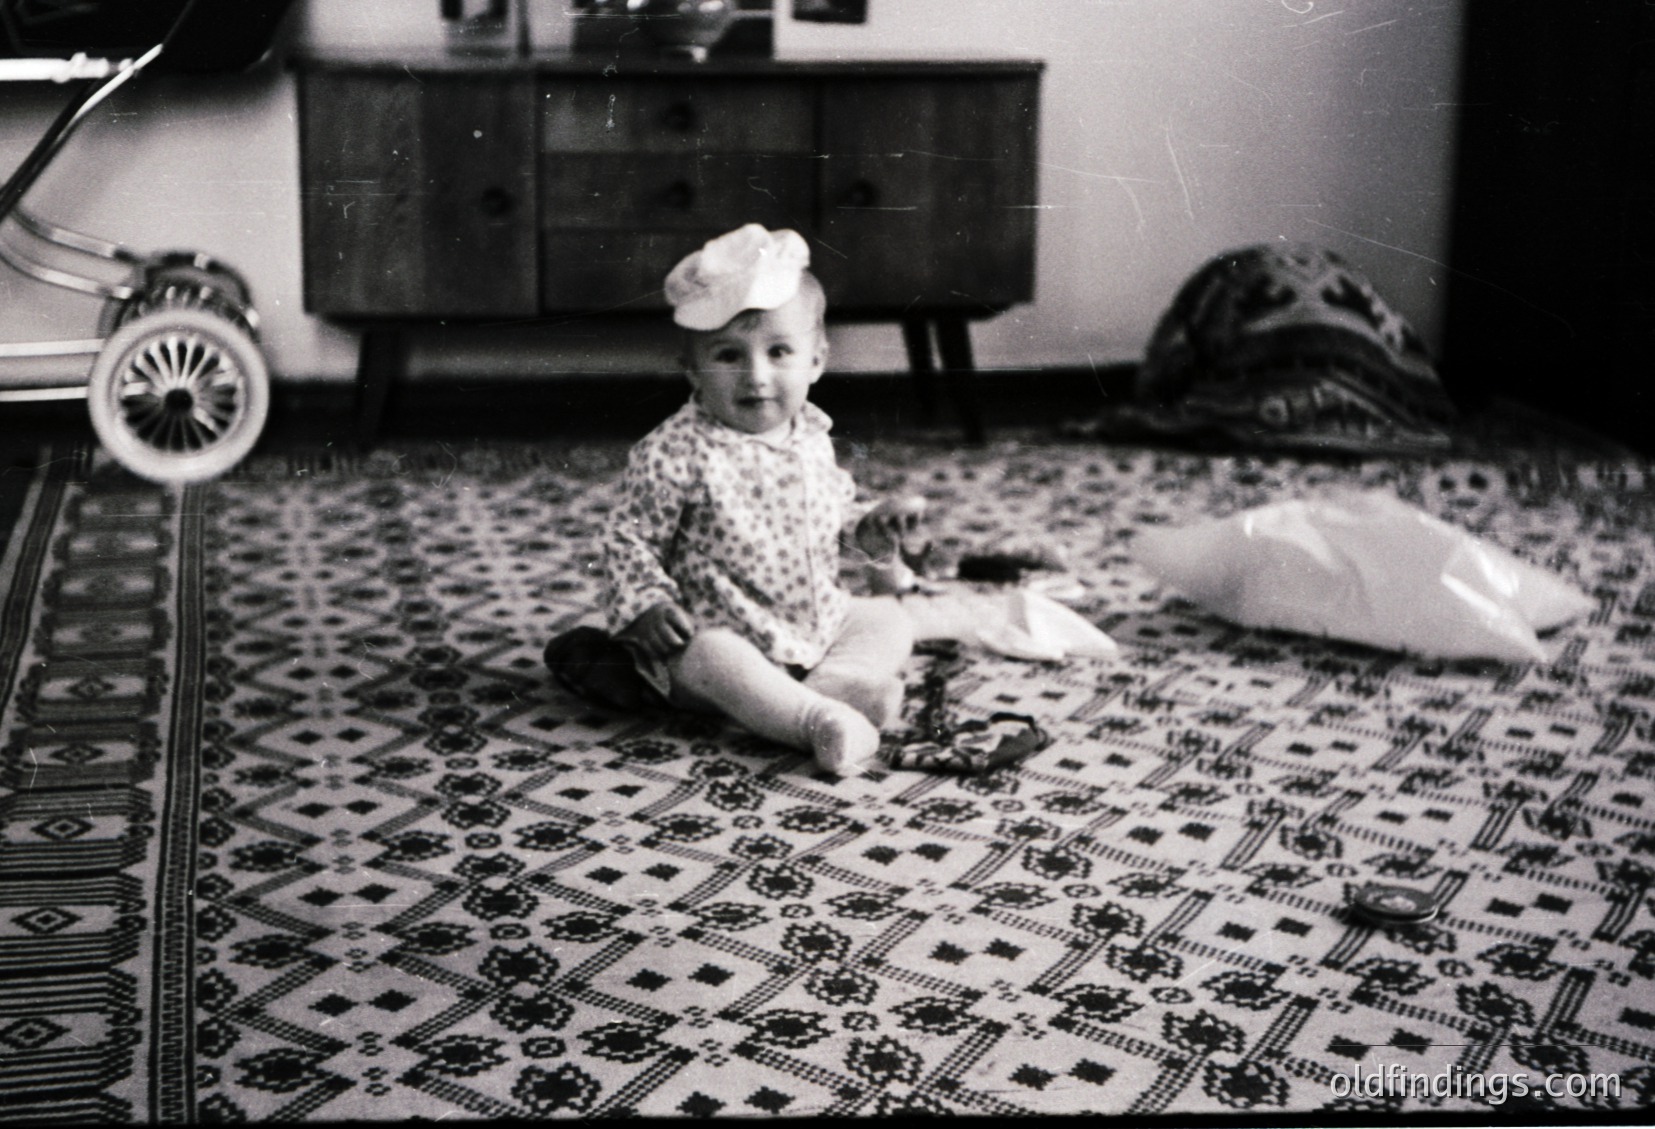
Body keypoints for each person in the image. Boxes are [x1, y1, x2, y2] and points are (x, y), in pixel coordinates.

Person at [546, 224, 918, 774]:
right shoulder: (676, 450)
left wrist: (870, 533)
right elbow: (627, 541)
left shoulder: (811, 436)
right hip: (722, 634)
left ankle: (836, 683)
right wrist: (646, 604)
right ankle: (820, 721)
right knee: (712, 657)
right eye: (728, 355)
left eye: (780, 351)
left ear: (816, 360)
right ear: (691, 368)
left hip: (813, 625)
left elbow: (834, 522)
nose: (757, 376)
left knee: (889, 619)